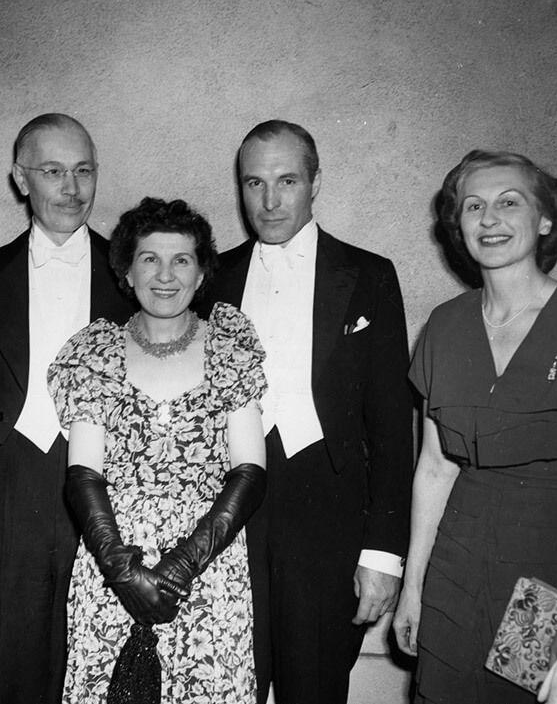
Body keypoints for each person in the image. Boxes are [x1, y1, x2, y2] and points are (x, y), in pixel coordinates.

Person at [392, 150, 557, 703]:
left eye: (510, 202)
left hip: (543, 577)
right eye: (473, 206)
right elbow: (434, 469)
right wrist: (412, 588)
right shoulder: (444, 326)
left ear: (545, 219)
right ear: (457, 226)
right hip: (453, 569)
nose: (489, 218)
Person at [203, 120, 414, 703]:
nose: (269, 201)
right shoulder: (211, 275)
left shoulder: (369, 275)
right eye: (254, 183)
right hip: (228, 517)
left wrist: (383, 553)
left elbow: (394, 428)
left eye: (287, 180)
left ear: (315, 183)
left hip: (328, 522)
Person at [0, 114, 134, 704]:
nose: (70, 188)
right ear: (22, 180)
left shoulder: (132, 274)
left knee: (99, 671)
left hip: (108, 493)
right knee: (10, 668)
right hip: (9, 488)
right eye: (52, 171)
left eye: (83, 171)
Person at [47, 197, 268, 703]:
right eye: (149, 258)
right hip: (114, 562)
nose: (165, 275)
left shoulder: (229, 348)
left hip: (205, 566)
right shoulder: (94, 352)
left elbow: (251, 472)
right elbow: (83, 474)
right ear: (126, 269)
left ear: (202, 271)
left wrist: (182, 567)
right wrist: (123, 573)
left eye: (181, 260)